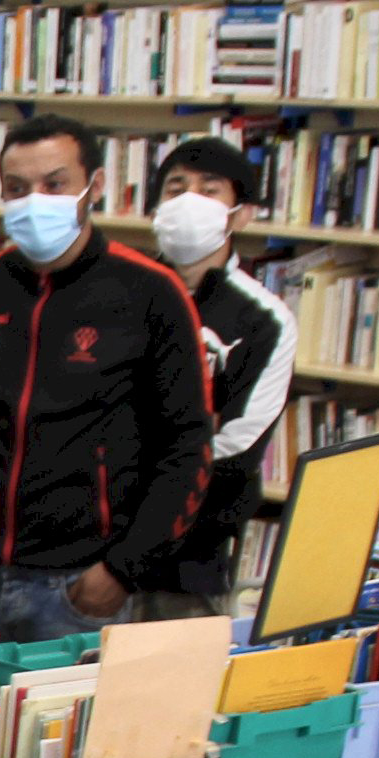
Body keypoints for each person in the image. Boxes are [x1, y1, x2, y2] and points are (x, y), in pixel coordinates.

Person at [0, 114, 215, 644]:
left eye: (54, 184)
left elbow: (187, 447)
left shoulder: (151, 294)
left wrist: (121, 571)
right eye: (17, 189)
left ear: (94, 187)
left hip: (77, 588)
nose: (34, 201)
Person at [143, 136, 297, 620]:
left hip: (191, 559)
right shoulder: (117, 293)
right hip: (87, 548)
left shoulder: (265, 320)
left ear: (242, 214)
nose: (189, 201)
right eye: (176, 188)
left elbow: (238, 445)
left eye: (210, 190)